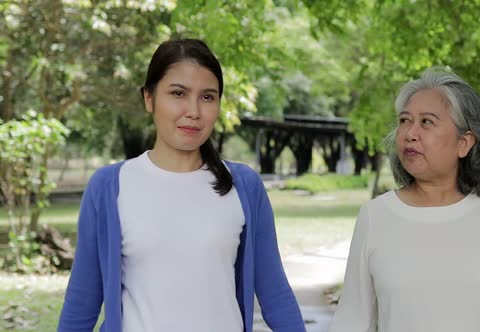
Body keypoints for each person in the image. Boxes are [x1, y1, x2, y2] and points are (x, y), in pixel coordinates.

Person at [58, 39, 305, 332]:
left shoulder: (244, 187)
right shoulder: (109, 187)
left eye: (208, 97)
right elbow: (82, 303)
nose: (194, 111)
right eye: (178, 93)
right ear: (149, 98)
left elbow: (274, 294)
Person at [329, 67, 480, 332]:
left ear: (464, 143)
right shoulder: (376, 216)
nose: (410, 133)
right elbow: (350, 323)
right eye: (404, 121)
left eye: (427, 122)